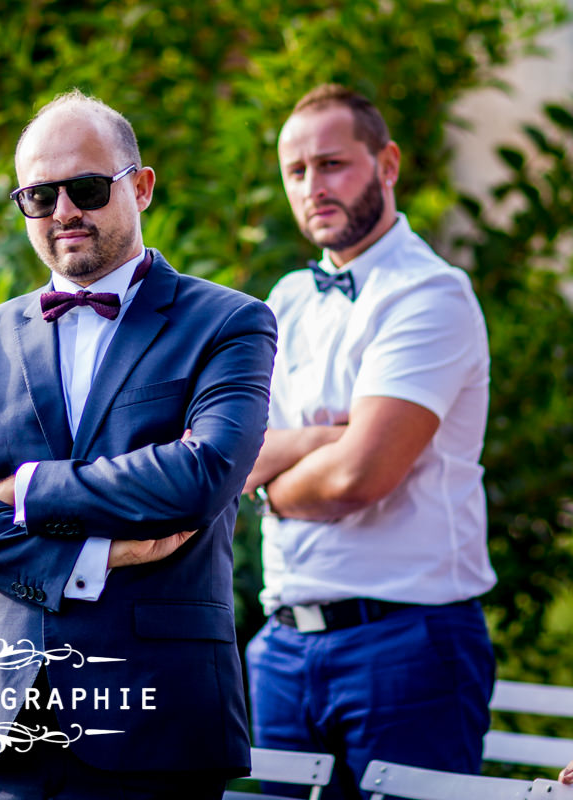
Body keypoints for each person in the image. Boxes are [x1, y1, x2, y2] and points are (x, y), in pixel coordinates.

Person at [0, 89, 277, 800]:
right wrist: (92, 553)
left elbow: (202, 475)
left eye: (86, 188)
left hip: (159, 720)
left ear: (140, 187)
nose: (64, 211)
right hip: (1, 723)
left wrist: (29, 489)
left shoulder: (229, 322)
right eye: (39, 196)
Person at [243, 84, 497, 799]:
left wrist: (268, 479)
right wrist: (325, 439)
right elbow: (228, 453)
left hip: (407, 644)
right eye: (296, 171)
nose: (312, 187)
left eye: (331, 164)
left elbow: (360, 477)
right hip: (282, 646)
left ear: (386, 164)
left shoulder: (431, 295)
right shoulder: (284, 301)